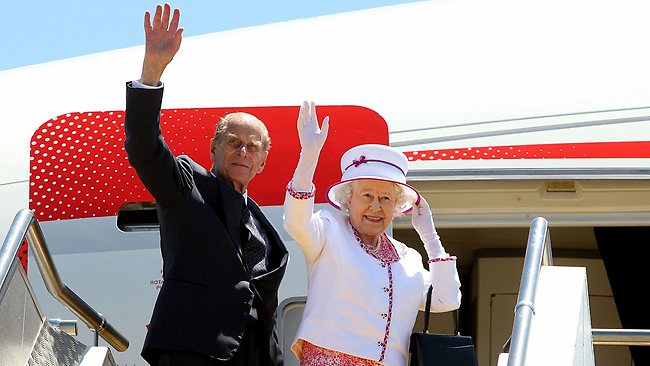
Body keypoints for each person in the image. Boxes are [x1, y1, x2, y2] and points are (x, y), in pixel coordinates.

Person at [124, 4, 288, 366]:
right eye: (233, 141)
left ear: (262, 162)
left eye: (253, 147)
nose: (242, 151)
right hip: (193, 348)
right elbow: (144, 148)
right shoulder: (186, 186)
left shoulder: (260, 223)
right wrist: (153, 71)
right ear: (214, 147)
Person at [283, 101, 462, 365]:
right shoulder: (330, 230)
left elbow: (447, 299)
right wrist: (309, 156)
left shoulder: (407, 257)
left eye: (385, 198)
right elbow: (296, 223)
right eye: (366, 195)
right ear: (348, 198)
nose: (375, 206)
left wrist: (429, 236)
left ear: (397, 205)